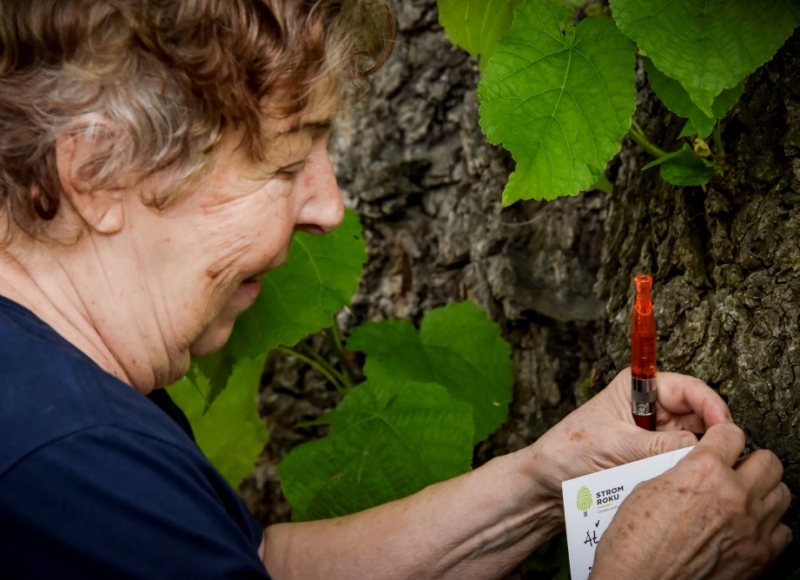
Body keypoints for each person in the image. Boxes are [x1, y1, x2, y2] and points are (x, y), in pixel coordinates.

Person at [0, 1, 790, 579]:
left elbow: (251, 564)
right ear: (95, 172)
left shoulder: (50, 394)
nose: (328, 208)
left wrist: (544, 478)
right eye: (283, 164)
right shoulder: (69, 467)